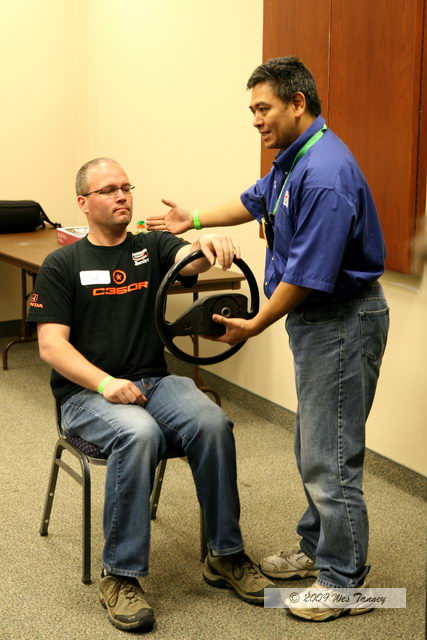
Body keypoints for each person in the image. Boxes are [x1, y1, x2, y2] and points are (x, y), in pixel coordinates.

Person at [147, 56, 390, 622]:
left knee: (331, 457)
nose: (255, 120)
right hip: (319, 323)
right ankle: (317, 548)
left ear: (297, 103)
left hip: (341, 321)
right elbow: (254, 200)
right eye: (252, 110)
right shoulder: (294, 159)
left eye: (263, 108)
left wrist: (257, 323)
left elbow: (306, 275)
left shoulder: (325, 174)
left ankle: (344, 582)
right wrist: (194, 219)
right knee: (313, 444)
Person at [27, 157, 274, 633]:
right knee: (140, 435)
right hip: (86, 395)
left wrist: (207, 242)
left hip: (153, 382)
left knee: (212, 421)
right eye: (108, 190)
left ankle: (224, 554)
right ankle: (119, 575)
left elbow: (190, 260)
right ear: (83, 203)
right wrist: (105, 383)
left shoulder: (150, 247)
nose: (122, 196)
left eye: (126, 187)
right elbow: (51, 346)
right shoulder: (63, 264)